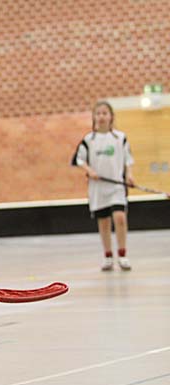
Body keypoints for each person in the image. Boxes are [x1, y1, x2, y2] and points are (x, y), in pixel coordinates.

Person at [72, 101, 134, 271]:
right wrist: (90, 171)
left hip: (116, 186)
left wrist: (129, 175)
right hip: (98, 188)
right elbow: (79, 159)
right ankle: (108, 256)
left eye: (104, 113)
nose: (101, 116)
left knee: (120, 218)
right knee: (104, 222)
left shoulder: (120, 138)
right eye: (98, 113)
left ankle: (122, 255)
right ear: (94, 117)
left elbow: (128, 160)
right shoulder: (88, 140)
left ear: (111, 116)